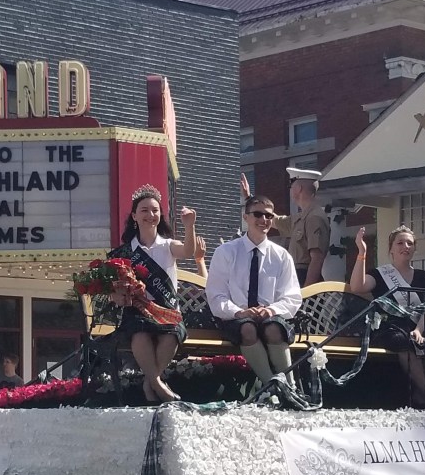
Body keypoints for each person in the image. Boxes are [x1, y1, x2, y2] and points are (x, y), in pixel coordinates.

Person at [110, 184, 197, 403]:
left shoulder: (168, 245)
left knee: (172, 333)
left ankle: (150, 383)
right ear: (134, 216)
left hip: (166, 311)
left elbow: (188, 251)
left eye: (155, 210)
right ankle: (158, 384)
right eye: (144, 210)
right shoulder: (124, 252)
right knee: (140, 333)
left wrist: (189, 226)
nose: (150, 215)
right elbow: (112, 289)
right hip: (136, 312)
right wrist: (118, 295)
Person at [206, 194, 302, 386]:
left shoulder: (281, 256)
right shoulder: (226, 252)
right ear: (246, 217)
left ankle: (290, 387)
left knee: (274, 329)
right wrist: (239, 312)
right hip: (235, 318)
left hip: (270, 317)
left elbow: (292, 296)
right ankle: (272, 387)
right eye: (258, 214)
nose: (264, 220)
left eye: (269, 216)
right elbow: (216, 295)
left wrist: (271, 310)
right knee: (248, 328)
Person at [350, 225, 425, 408]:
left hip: (418, 327)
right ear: (391, 249)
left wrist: (419, 330)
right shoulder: (380, 274)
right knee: (401, 340)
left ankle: (420, 394)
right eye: (400, 243)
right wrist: (362, 252)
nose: (405, 246)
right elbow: (357, 286)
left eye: (410, 243)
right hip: (389, 328)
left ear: (414, 248)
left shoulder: (424, 277)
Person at [241, 168, 330, 286]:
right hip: (295, 275)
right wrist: (249, 198)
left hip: (305, 278)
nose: (290, 190)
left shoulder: (315, 217)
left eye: (291, 186)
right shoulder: (301, 217)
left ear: (298, 189)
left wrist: (307, 292)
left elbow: (317, 259)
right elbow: (272, 220)